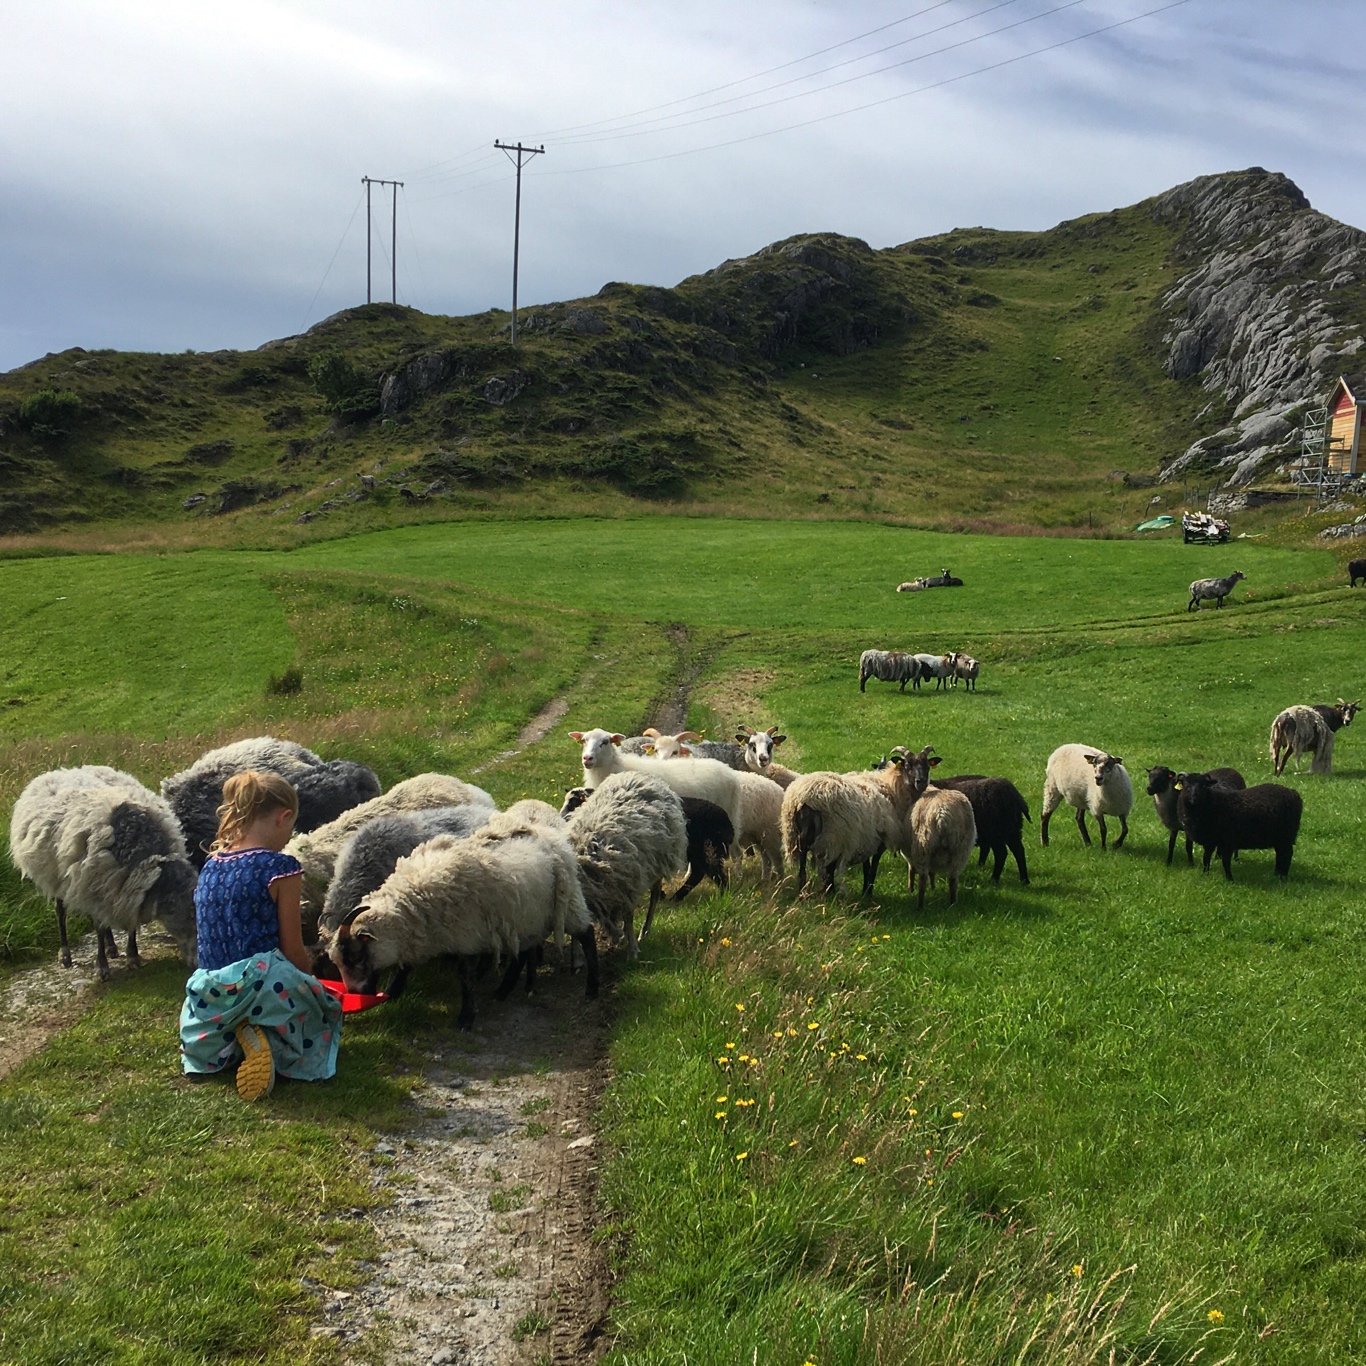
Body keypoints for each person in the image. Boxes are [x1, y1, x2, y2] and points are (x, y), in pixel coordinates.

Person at [179, 770, 342, 1101]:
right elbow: (293, 948)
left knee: (215, 1035)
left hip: (209, 993)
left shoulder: (211, 864)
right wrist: (315, 987)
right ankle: (272, 1039)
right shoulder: (281, 867)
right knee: (323, 1011)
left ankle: (235, 1041)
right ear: (283, 817)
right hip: (263, 982)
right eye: (291, 827)